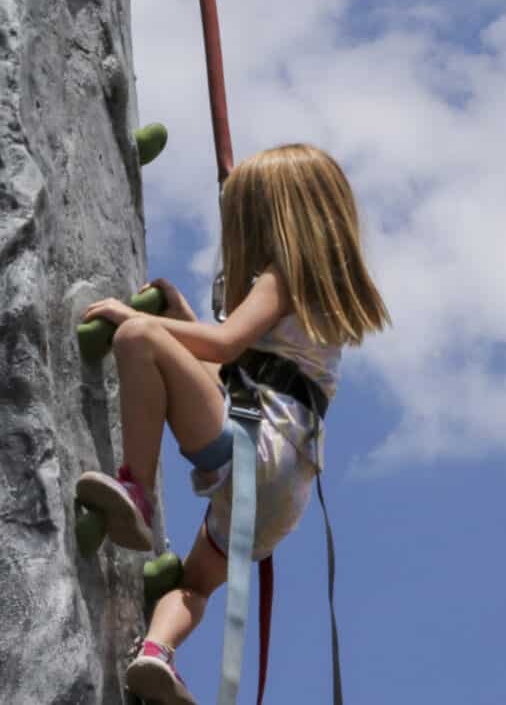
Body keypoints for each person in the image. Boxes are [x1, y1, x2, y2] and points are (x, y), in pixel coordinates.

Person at [76, 143, 390, 705]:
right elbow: (227, 365)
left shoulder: (281, 277)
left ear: (272, 219)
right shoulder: (316, 307)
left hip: (253, 448)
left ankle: (136, 490)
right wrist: (186, 320)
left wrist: (141, 319)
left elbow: (222, 346)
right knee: (193, 584)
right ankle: (156, 654)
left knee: (137, 340)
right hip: (283, 490)